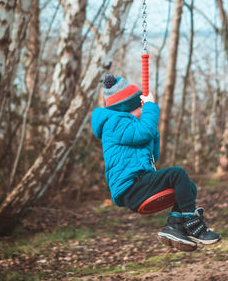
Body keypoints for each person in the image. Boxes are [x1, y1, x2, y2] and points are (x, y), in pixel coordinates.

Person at [91, 74, 220, 251]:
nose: (142, 110)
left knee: (188, 187)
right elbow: (144, 133)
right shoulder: (114, 123)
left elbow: (154, 155)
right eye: (139, 106)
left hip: (139, 183)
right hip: (131, 187)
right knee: (177, 173)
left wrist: (153, 131)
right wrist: (150, 106)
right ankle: (192, 223)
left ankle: (174, 226)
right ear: (127, 109)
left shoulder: (131, 127)